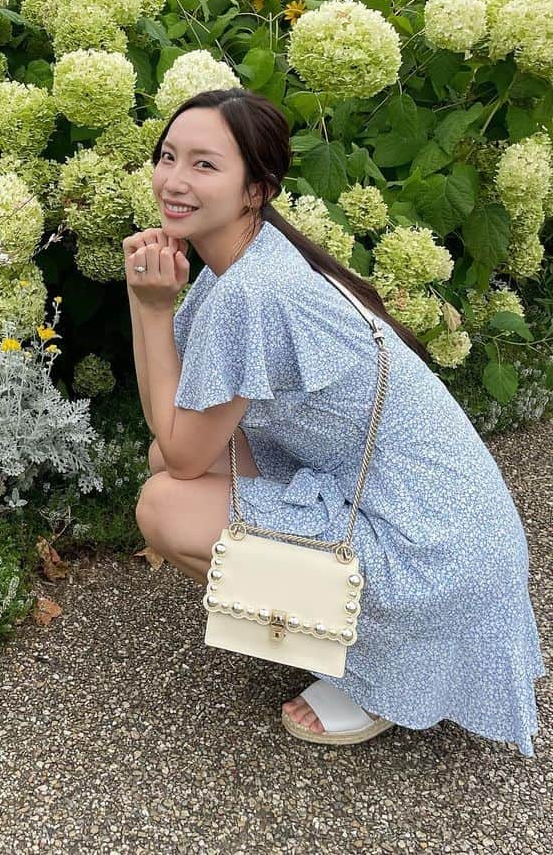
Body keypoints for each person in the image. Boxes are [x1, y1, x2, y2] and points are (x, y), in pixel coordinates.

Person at [127, 86, 544, 753]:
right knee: (169, 468)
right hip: (418, 511)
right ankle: (326, 619)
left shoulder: (255, 291)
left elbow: (181, 456)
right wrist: (147, 299)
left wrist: (149, 309)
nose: (174, 180)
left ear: (255, 189)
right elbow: (178, 426)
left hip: (433, 550)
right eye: (168, 156)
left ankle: (367, 671)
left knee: (167, 508)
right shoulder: (244, 261)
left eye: (204, 165)